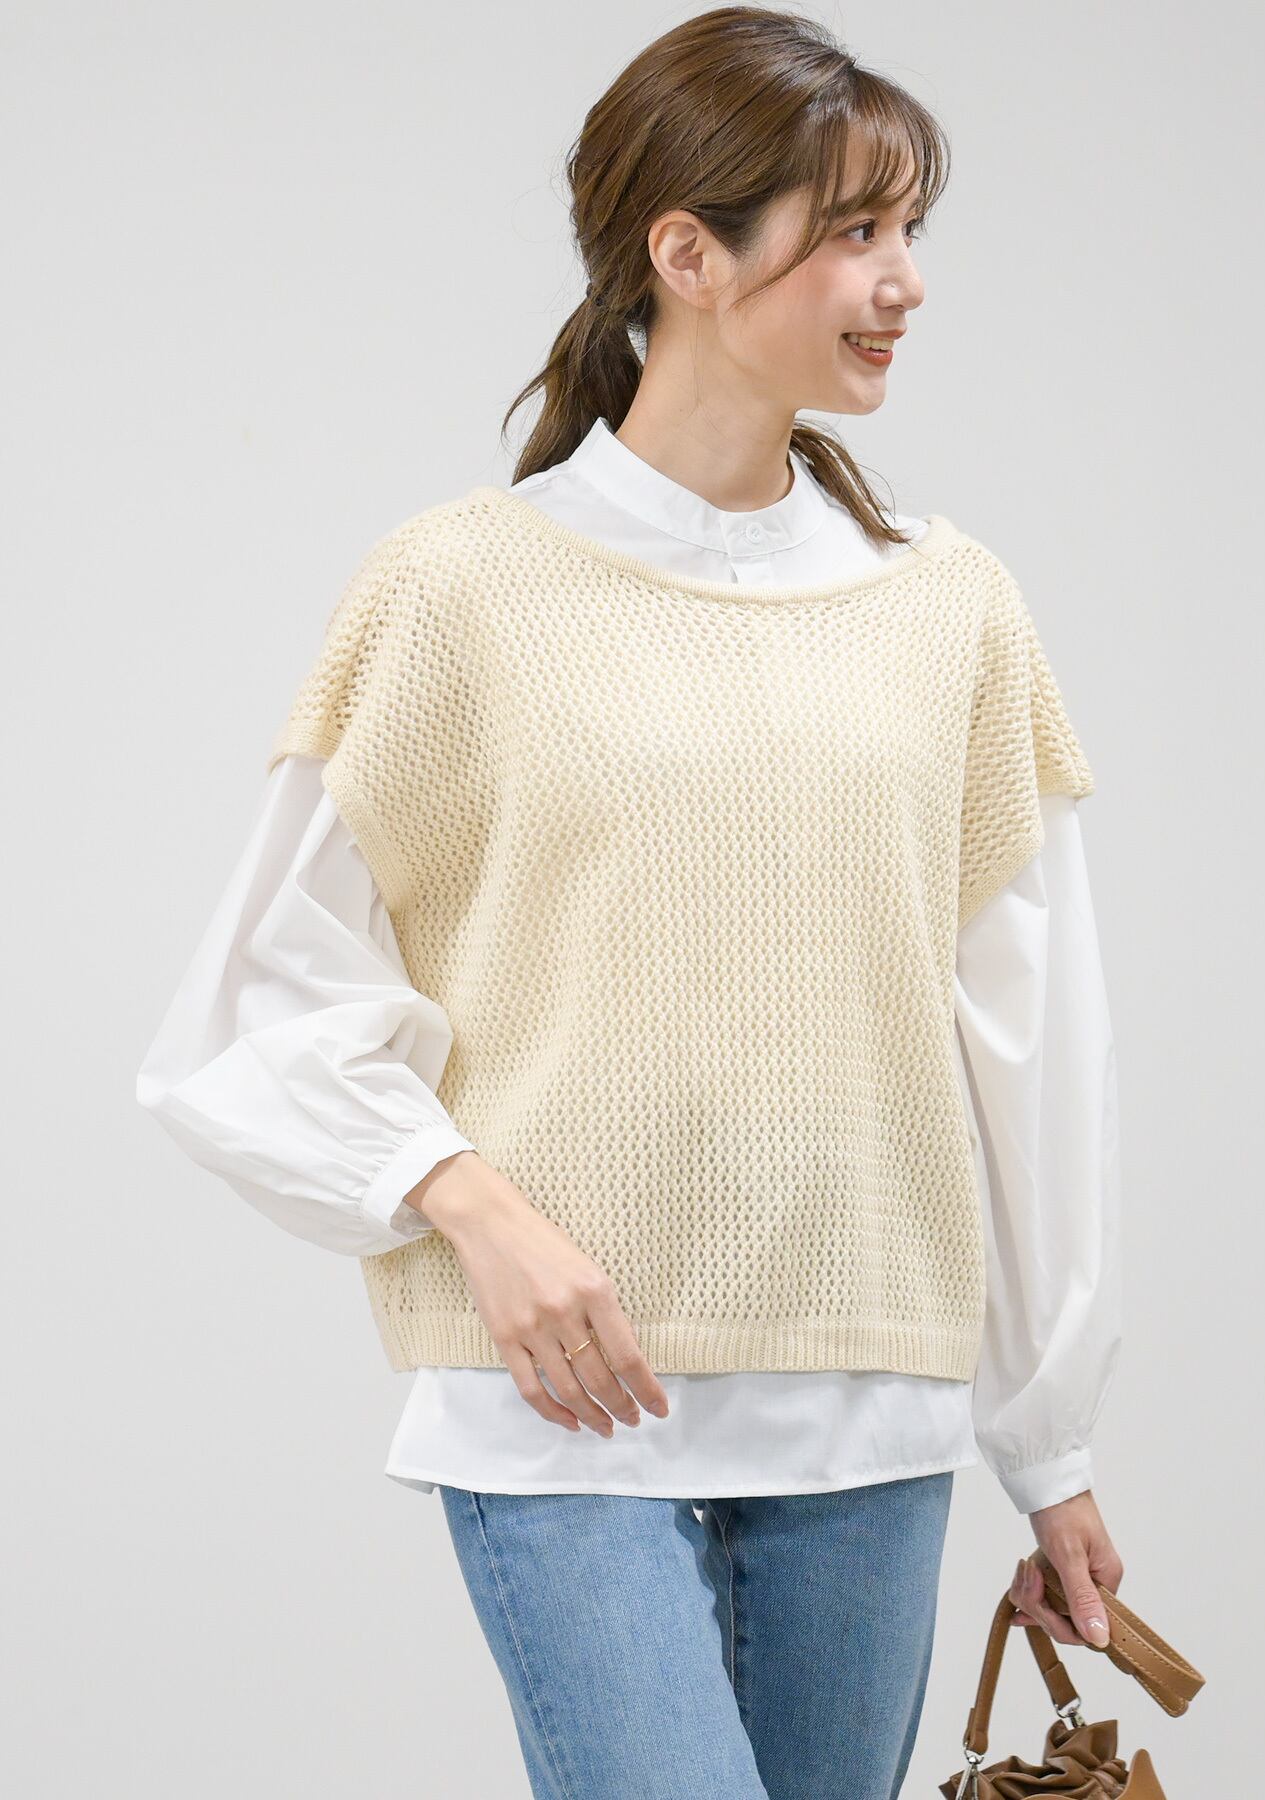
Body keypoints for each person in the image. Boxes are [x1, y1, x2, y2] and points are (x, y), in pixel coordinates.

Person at [136, 8, 1126, 1794]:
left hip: (870, 1416)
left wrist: (1046, 1446)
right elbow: (254, 999)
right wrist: (469, 1210)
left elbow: (1032, 1043)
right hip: (563, 1412)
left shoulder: (952, 609)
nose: (904, 281)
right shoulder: (458, 591)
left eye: (912, 231)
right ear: (687, 253)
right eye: (855, 230)